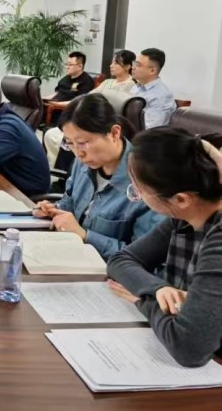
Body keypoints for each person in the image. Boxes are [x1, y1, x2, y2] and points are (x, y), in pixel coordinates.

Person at [107, 128, 222, 367]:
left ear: (181, 199)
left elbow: (190, 349)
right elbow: (120, 260)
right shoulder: (183, 217)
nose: (138, 196)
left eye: (140, 191)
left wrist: (143, 300)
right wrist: (158, 288)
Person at [33, 94, 164, 260]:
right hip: (71, 255)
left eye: (83, 143)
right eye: (70, 143)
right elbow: (69, 203)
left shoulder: (148, 183)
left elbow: (144, 257)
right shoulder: (83, 163)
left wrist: (85, 236)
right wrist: (52, 210)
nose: (78, 153)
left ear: (114, 133)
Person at [44, 49, 138, 168]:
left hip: (102, 125)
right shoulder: (108, 82)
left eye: (116, 63)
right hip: (87, 119)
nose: (111, 66)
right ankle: (59, 168)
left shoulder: (132, 86)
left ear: (128, 66)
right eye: (112, 62)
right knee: (51, 134)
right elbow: (87, 97)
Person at [131, 48, 176, 129]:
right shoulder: (136, 87)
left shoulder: (161, 96)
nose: (133, 67)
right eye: (134, 63)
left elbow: (150, 129)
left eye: (138, 65)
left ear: (152, 71)